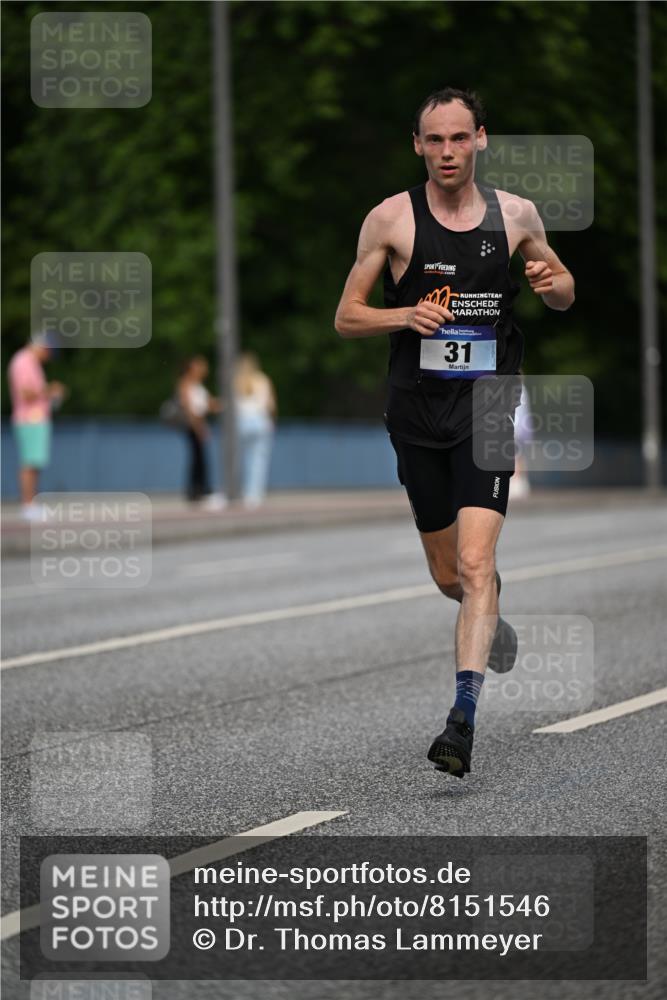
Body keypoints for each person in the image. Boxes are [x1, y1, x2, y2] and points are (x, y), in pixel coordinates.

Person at [335, 88, 574, 778]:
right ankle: (485, 604)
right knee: (451, 576)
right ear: (417, 145)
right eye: (434, 140)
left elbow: (560, 292)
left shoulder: (516, 215)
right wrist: (401, 316)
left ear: (480, 140)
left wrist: (551, 280)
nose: (447, 152)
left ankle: (459, 721)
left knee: (472, 566)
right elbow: (348, 316)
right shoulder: (390, 219)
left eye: (458, 138)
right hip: (415, 413)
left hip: (488, 404)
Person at [7, 332, 66, 520]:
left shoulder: (28, 361)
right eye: (48, 352)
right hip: (29, 419)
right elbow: (25, 393)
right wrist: (50, 390)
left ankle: (30, 504)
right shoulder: (24, 361)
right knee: (30, 463)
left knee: (34, 463)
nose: (48, 357)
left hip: (34, 419)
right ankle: (28, 505)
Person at [177, 356, 226, 509]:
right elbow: (188, 408)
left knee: (200, 457)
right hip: (193, 425)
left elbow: (209, 404)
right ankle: (197, 490)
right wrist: (198, 427)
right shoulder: (185, 384)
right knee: (197, 458)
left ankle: (200, 489)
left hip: (200, 424)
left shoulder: (199, 386)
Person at [234, 352, 277, 508]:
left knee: (239, 459)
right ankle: (254, 495)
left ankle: (238, 492)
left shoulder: (237, 380)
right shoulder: (262, 379)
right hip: (260, 421)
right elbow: (270, 404)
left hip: (241, 422)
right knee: (258, 460)